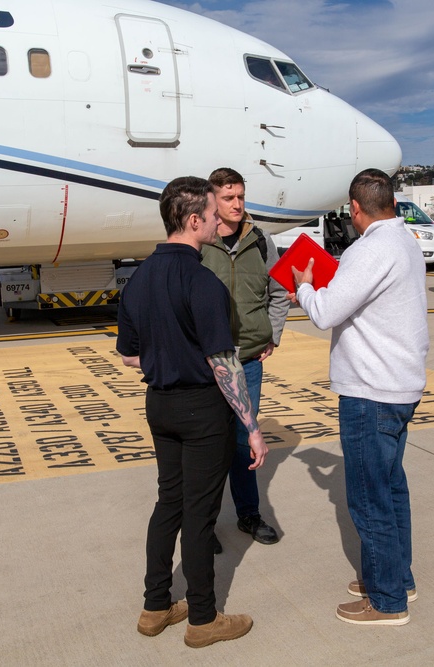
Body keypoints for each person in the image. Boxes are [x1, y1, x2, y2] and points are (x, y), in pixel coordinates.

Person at [116, 176, 268, 648]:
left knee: (168, 504)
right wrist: (252, 427)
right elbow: (225, 365)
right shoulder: (202, 282)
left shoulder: (138, 279)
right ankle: (203, 618)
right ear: (194, 219)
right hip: (202, 411)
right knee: (199, 516)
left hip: (158, 405)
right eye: (213, 212)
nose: (221, 219)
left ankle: (155, 606)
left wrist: (169, 356)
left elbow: (128, 355)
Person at [290, 168, 429, 626]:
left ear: (354, 209)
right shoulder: (404, 239)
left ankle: (387, 600)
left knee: (369, 499)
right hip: (399, 384)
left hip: (371, 391)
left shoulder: (371, 249)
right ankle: (396, 576)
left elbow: (326, 312)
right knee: (391, 488)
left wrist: (305, 285)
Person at [201, 167, 290, 547]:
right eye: (228, 197)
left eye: (240, 196)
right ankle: (203, 526)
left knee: (243, 440)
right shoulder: (199, 242)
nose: (237, 204)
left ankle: (249, 515)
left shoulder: (261, 242)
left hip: (249, 361)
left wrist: (272, 334)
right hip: (206, 363)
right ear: (212, 201)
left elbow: (280, 291)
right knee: (207, 444)